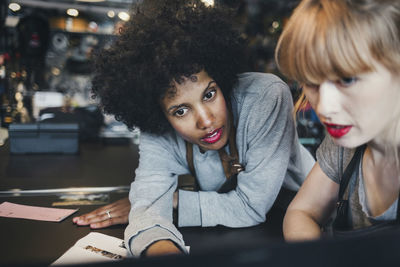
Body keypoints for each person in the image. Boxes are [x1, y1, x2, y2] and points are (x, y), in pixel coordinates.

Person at [73, 0, 315, 257]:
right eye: (180, 110)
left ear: (221, 77)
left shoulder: (266, 97)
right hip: (242, 233)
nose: (206, 120)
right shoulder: (158, 131)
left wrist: (173, 200)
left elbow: (249, 207)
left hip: (309, 219)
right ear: (159, 115)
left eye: (209, 94)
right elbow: (146, 212)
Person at [275, 0, 400, 241]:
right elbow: (301, 212)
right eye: (311, 82)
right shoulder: (343, 148)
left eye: (347, 79)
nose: (324, 107)